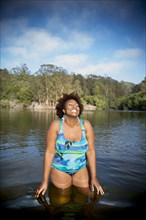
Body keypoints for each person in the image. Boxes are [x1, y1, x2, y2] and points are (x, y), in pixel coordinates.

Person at [35, 92, 104, 198]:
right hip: (60, 169)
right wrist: (44, 181)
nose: (74, 107)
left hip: (80, 168)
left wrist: (94, 177)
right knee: (62, 200)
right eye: (70, 105)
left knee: (88, 197)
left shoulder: (86, 125)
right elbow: (49, 152)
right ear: (63, 110)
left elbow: (90, 151)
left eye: (77, 105)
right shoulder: (56, 125)